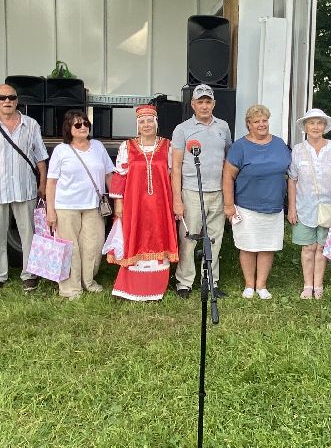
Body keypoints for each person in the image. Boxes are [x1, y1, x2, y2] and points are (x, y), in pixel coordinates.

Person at [0, 83, 48, 292]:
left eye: (12, 97)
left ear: (17, 100)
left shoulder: (31, 124)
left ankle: (30, 274)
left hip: (25, 189)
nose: (7, 101)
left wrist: (42, 184)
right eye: (2, 98)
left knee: (29, 235)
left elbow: (40, 157)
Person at [108, 104, 180, 301]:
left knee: (159, 237)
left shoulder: (168, 145)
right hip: (135, 204)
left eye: (150, 121)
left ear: (156, 123)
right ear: (137, 125)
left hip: (160, 204)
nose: (146, 125)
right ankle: (131, 287)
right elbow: (120, 176)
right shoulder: (127, 146)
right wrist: (119, 204)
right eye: (142, 122)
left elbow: (174, 175)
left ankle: (155, 287)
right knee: (135, 237)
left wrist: (176, 201)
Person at [45, 109, 115, 300]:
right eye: (78, 124)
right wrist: (50, 211)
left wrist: (118, 198)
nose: (83, 127)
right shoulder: (61, 150)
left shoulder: (98, 147)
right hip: (66, 207)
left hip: (94, 206)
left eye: (85, 123)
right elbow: (51, 183)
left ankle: (88, 281)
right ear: (69, 128)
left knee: (93, 245)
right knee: (70, 248)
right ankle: (70, 288)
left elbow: (110, 175)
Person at [170, 84, 232, 300]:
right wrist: (176, 199)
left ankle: (211, 281)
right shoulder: (182, 129)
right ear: (193, 105)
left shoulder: (223, 127)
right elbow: (175, 167)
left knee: (215, 238)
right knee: (189, 238)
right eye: (200, 102)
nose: (204, 106)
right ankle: (184, 283)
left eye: (208, 102)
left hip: (218, 192)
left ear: (213, 104)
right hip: (191, 192)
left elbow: (228, 161)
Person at [224, 104, 292, 299]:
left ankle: (261, 285)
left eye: (264, 120)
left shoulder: (279, 144)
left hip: (274, 206)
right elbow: (228, 176)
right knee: (248, 246)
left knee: (267, 246)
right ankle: (248, 285)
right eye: (256, 121)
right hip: (246, 207)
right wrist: (229, 205)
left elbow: (292, 173)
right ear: (248, 125)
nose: (261, 124)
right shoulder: (240, 147)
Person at [287, 107, 331, 299]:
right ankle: (307, 285)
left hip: (330, 206)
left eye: (319, 123)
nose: (316, 127)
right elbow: (292, 179)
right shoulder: (298, 150)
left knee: (322, 247)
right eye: (312, 123)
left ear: (325, 126)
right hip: (304, 206)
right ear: (305, 127)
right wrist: (292, 207)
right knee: (308, 247)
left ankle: (319, 285)